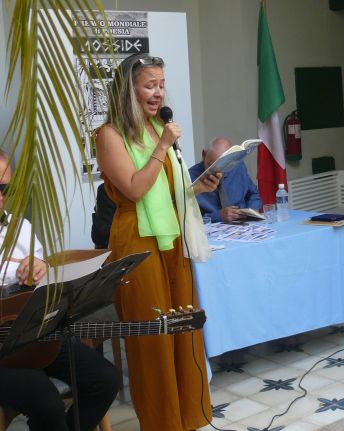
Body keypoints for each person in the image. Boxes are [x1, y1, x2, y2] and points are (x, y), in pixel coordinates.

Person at [95, 53, 221, 430]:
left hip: (172, 239)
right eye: (150, 84)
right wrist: (163, 147)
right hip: (138, 242)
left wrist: (199, 186)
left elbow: (166, 191)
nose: (158, 92)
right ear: (129, 89)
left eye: (162, 84)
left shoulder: (155, 127)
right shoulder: (110, 134)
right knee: (153, 337)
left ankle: (190, 417)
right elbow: (134, 190)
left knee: (183, 327)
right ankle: (163, 422)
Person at [0, 151, 119, 431]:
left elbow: (44, 285)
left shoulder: (21, 228)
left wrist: (40, 267)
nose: (2, 196)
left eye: (6, 189)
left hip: (33, 334)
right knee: (47, 401)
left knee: (104, 380)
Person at [189, 137, 262, 222]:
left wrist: (252, 210)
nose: (218, 173)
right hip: (211, 230)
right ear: (204, 155)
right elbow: (187, 220)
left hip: (243, 225)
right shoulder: (190, 177)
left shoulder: (238, 166)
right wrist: (218, 216)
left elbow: (253, 194)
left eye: (224, 166)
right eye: (211, 166)